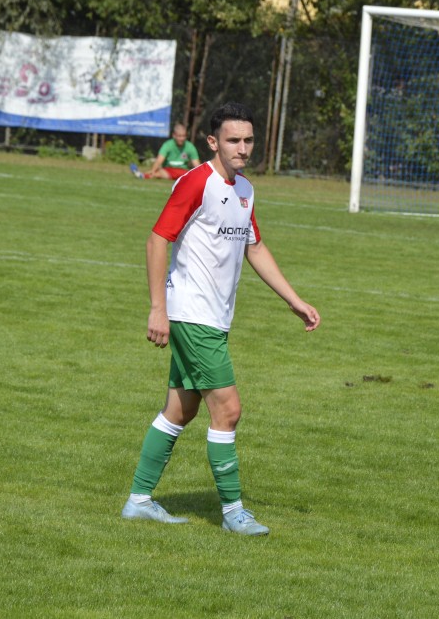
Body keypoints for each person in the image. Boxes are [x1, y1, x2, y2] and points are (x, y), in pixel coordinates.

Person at [121, 101, 320, 535]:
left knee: (180, 410)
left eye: (248, 140)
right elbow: (157, 240)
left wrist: (293, 300)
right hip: (192, 315)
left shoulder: (245, 189)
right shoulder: (197, 182)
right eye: (233, 140)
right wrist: (158, 308)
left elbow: (254, 247)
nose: (242, 148)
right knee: (228, 410)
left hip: (213, 317)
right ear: (213, 142)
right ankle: (233, 513)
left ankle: (138, 501)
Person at [130, 123, 201, 180]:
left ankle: (142, 175)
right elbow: (159, 160)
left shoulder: (190, 147)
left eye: (183, 136)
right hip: (168, 170)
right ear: (174, 135)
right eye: (179, 136)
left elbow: (197, 165)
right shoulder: (167, 145)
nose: (182, 138)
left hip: (183, 171)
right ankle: (142, 175)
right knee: (158, 173)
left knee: (191, 175)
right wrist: (153, 170)